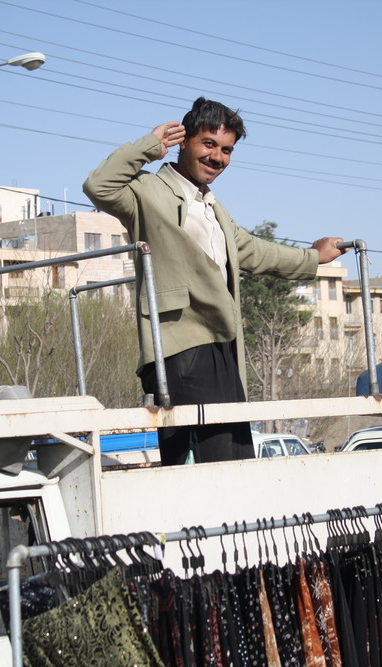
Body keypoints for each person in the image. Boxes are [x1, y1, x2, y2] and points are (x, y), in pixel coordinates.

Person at [83, 97, 346, 466]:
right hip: (179, 346)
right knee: (205, 461)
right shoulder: (147, 193)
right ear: (184, 141)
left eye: (226, 150)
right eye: (209, 144)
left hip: (223, 346)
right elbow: (98, 185)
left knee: (234, 456)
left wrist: (313, 258)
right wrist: (149, 146)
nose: (217, 157)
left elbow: (253, 251)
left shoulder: (213, 207)